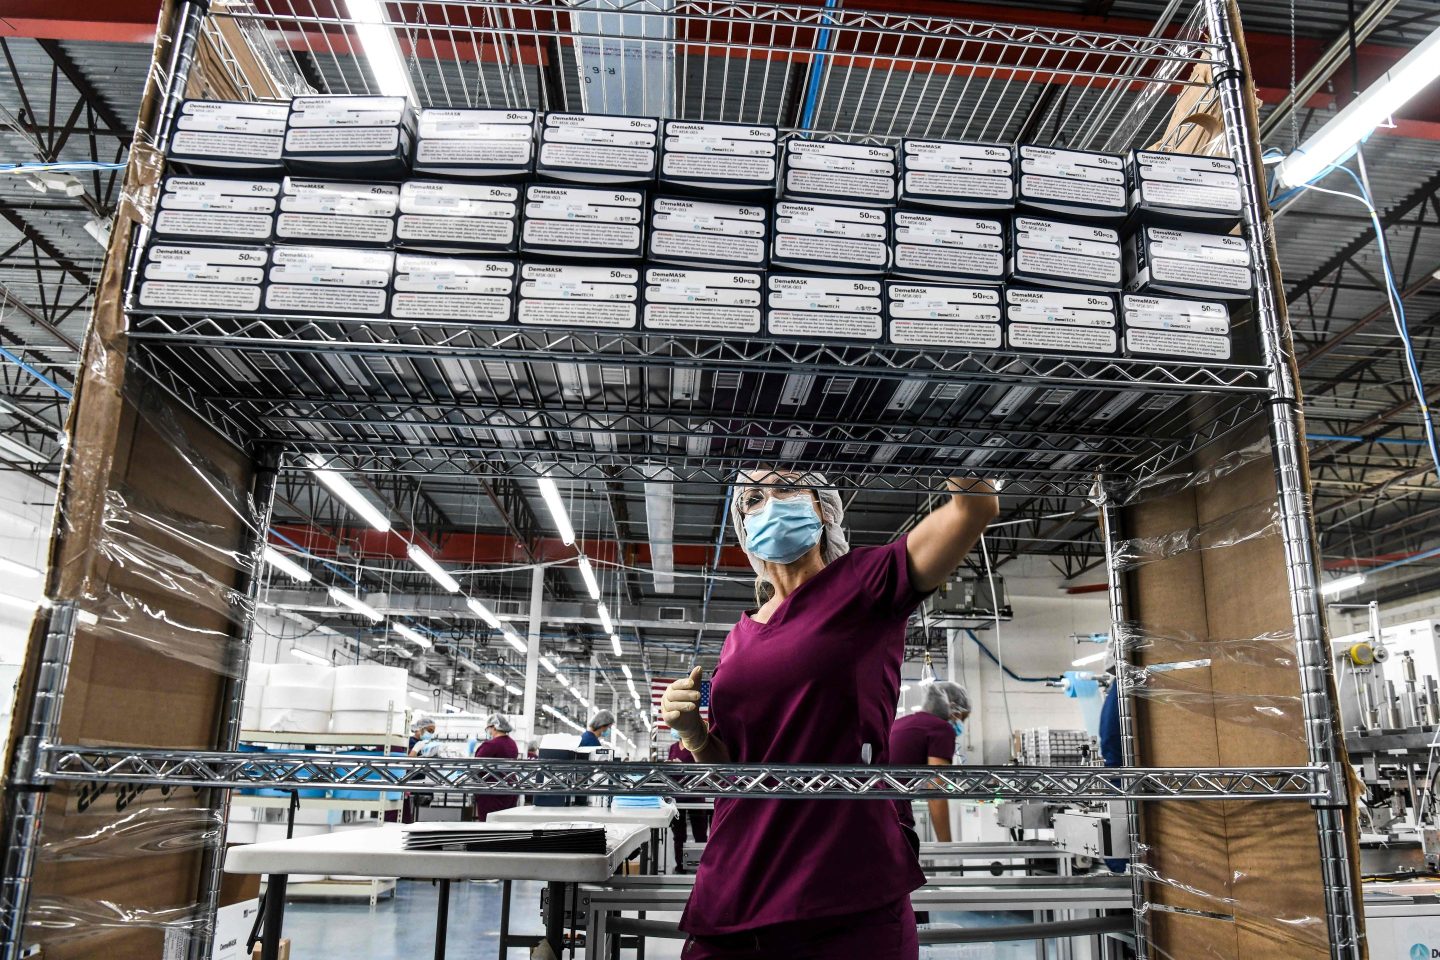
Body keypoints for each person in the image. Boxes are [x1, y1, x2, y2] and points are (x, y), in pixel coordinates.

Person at [661, 471, 998, 959]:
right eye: (754, 498)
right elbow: (730, 769)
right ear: (742, 524)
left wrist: (945, 437)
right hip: (738, 880)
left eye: (789, 489)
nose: (772, 503)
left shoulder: (865, 584)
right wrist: (695, 736)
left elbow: (974, 509)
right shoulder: (738, 638)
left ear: (822, 510)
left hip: (841, 888)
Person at [889, 681, 970, 843]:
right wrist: (947, 848)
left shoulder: (902, 723)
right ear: (953, 709)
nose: (962, 723)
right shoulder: (940, 729)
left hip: (878, 808)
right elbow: (936, 792)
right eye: (963, 717)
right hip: (895, 812)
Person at [666, 729, 709, 874]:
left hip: (696, 796)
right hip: (677, 797)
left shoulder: (696, 748)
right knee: (679, 835)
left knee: (700, 833)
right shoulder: (672, 748)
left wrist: (683, 765)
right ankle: (681, 866)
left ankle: (702, 866)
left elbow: (702, 771)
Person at [473, 713, 520, 821]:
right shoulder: (512, 744)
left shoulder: (491, 745)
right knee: (505, 825)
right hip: (510, 790)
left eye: (488, 729)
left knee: (490, 825)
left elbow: (476, 767)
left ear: (494, 727)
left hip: (492, 792)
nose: (488, 732)